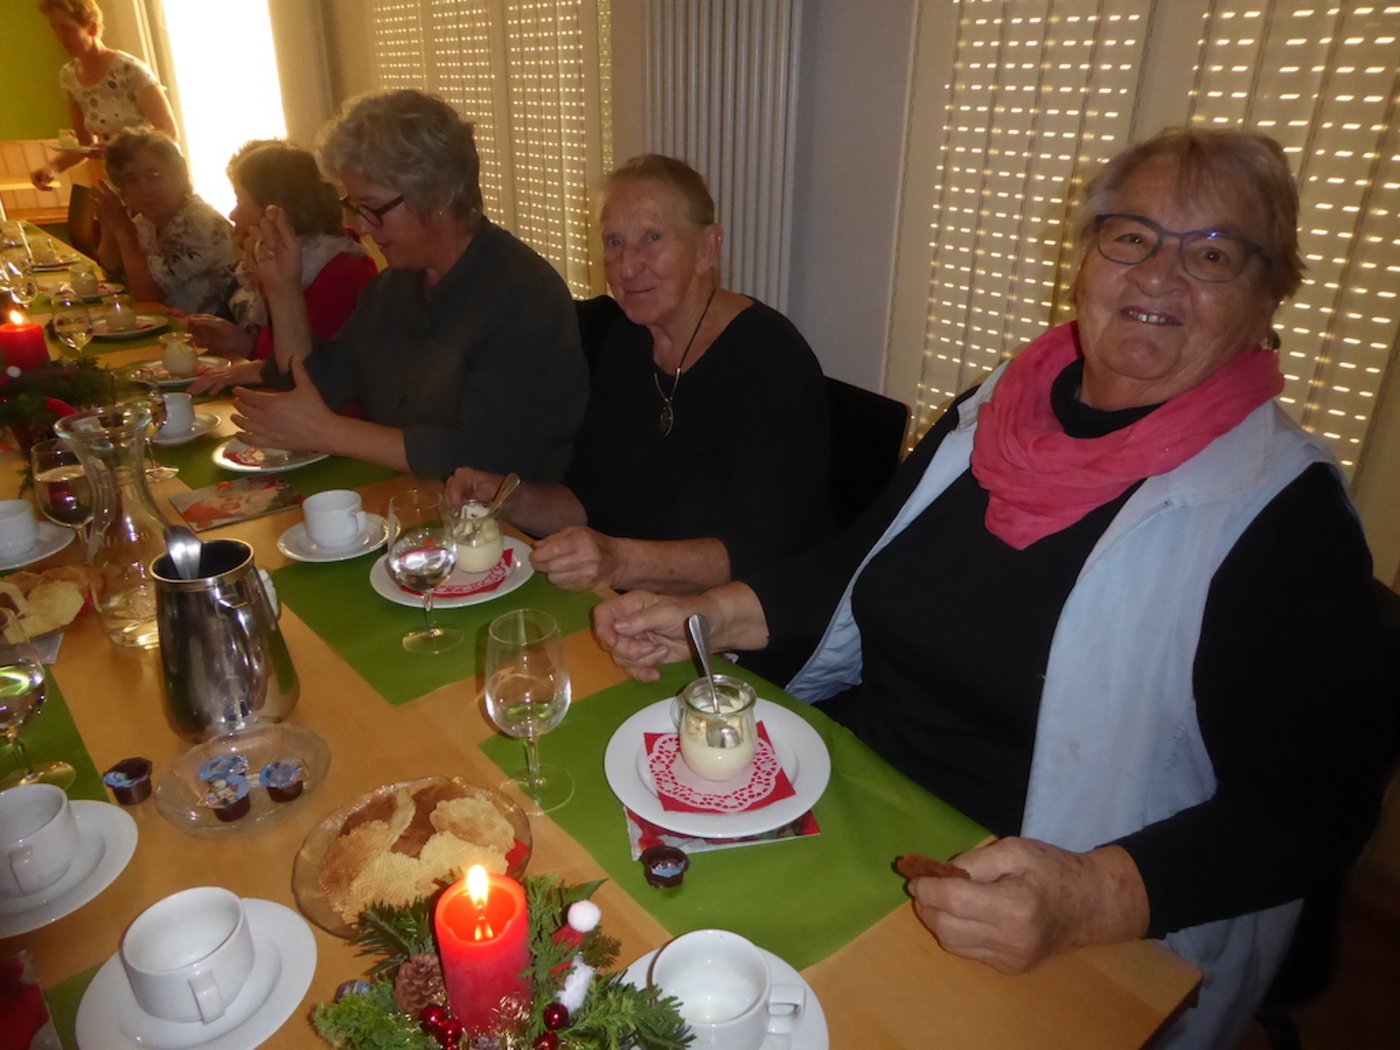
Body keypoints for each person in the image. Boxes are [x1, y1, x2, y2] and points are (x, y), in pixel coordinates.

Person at [592, 128, 1391, 1047]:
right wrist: (711, 614)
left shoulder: (1282, 511)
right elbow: (856, 559)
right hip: (860, 796)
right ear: (1086, 262)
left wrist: (1088, 898)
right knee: (641, 938)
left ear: (1267, 297)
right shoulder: (1000, 405)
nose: (1158, 276)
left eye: (1212, 254)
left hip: (1045, 903)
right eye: (1131, 237)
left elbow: (1311, 812)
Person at [445, 154, 831, 594]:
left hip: (736, 618)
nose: (627, 267)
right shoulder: (629, 342)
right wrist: (509, 498)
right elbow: (589, 501)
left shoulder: (771, 360)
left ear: (707, 248)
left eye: (652, 238)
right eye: (614, 242)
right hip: (634, 598)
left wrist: (619, 562)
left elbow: (765, 552)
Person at [226, 89, 586, 478]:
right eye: (355, 207)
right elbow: (317, 386)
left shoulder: (521, 295)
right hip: (412, 495)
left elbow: (479, 455)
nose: (362, 227)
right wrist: (283, 289)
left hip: (498, 513)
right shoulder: (394, 288)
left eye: (372, 208)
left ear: (437, 194)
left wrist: (327, 432)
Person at [183, 141, 377, 379]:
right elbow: (280, 357)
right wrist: (240, 342)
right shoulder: (300, 262)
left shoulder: (338, 274)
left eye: (239, 200)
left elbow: (310, 376)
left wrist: (260, 370)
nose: (233, 214)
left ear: (274, 210)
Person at [29, 0, 178, 255]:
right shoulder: (69, 76)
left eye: (67, 28)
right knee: (123, 257)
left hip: (155, 180)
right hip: (120, 183)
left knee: (160, 255)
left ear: (93, 27)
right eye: (54, 27)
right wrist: (52, 167)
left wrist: (119, 147)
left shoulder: (129, 70)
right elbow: (85, 145)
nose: (60, 36)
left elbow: (169, 132)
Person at [92, 127, 236, 314]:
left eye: (154, 176)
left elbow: (148, 292)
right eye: (132, 180)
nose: (145, 189)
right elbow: (113, 273)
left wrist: (124, 231)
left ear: (179, 174)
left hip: (205, 330)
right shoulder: (146, 222)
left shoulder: (200, 224)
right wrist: (109, 227)